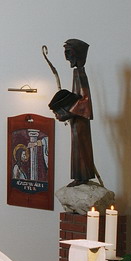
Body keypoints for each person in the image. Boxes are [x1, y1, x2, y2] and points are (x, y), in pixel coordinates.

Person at [49, 38, 98, 187]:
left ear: (77, 53)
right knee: (77, 146)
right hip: (77, 119)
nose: (66, 56)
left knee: (81, 146)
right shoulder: (77, 72)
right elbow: (77, 98)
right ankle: (79, 176)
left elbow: (85, 100)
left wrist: (67, 113)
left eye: (68, 52)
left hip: (80, 119)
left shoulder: (81, 73)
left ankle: (82, 177)